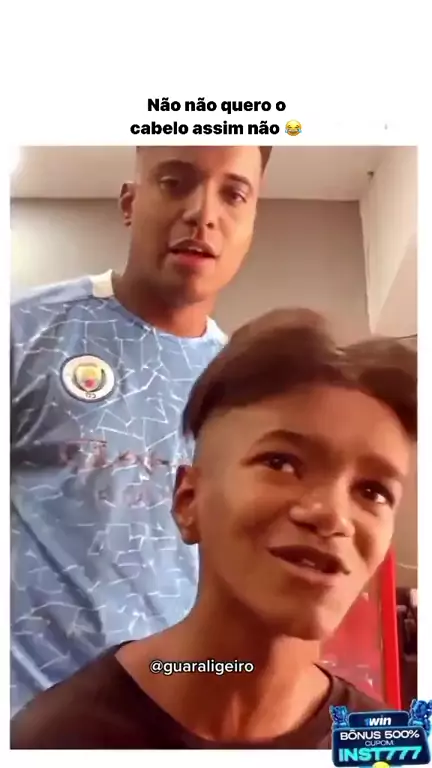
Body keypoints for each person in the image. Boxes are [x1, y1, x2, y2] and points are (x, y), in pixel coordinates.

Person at [11, 308, 417, 749]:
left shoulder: (383, 746)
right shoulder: (60, 740)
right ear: (188, 501)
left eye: (373, 491)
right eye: (281, 463)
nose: (333, 516)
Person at [10, 145, 272, 714]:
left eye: (233, 194)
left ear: (252, 222)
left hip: (167, 712)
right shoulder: (25, 331)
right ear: (130, 202)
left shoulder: (246, 385)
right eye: (176, 183)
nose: (203, 214)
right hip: (22, 711)